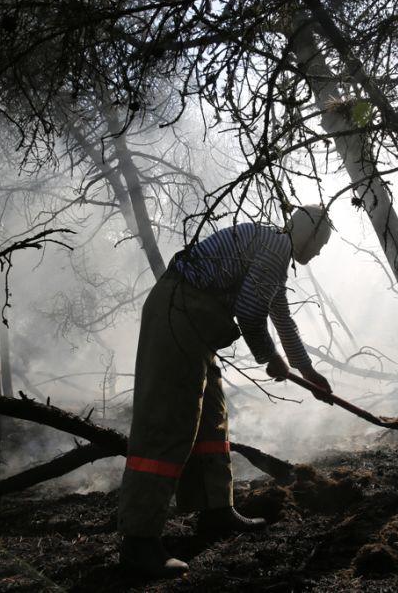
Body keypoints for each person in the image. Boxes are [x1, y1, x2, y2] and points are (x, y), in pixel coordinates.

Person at [117, 205, 334, 577]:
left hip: (195, 323)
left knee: (211, 420)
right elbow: (251, 313)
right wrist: (270, 358)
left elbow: (279, 314)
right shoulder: (274, 249)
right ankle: (138, 542)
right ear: (307, 235)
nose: (318, 253)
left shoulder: (273, 251)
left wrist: (307, 370)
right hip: (178, 314)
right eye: (320, 244)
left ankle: (215, 511)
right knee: (168, 423)